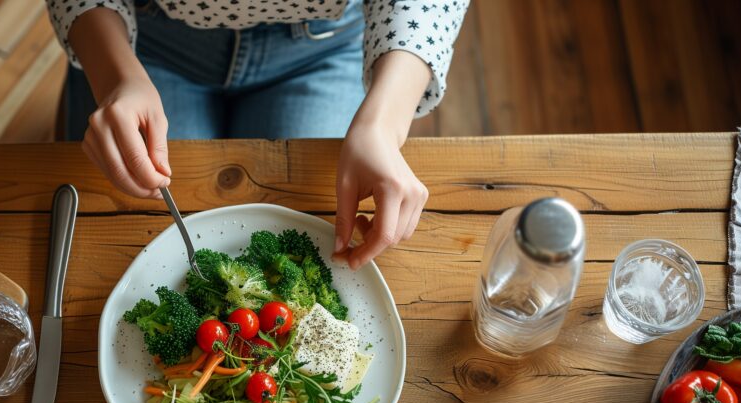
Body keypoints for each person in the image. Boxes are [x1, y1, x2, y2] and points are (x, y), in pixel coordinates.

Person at [49, 0, 468, 269]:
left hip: (326, 45)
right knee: (130, 238)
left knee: (312, 240)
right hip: (143, 40)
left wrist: (384, 122)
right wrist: (115, 78)